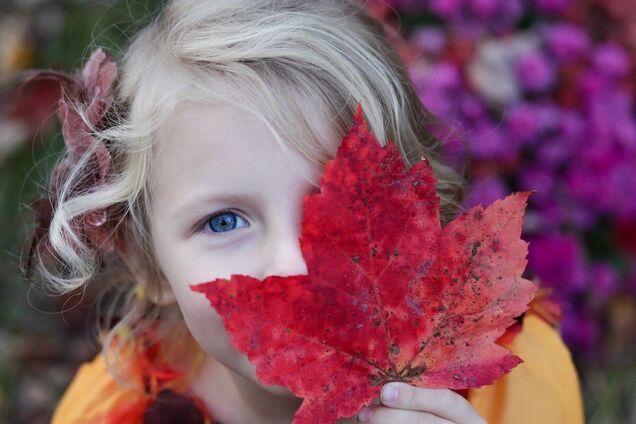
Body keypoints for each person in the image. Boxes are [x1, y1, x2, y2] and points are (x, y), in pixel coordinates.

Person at [21, 0, 585, 422]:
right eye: (223, 221)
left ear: (419, 219)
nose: (294, 268)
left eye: (335, 207)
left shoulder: (513, 383)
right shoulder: (109, 412)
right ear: (146, 263)